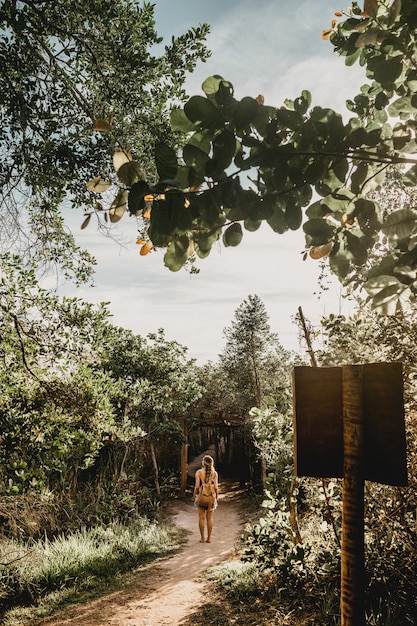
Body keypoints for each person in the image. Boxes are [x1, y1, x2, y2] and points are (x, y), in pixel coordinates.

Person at [193, 454, 219, 543]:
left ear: (203, 463)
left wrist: (194, 495)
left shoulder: (199, 472)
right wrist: (216, 497)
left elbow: (197, 487)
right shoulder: (215, 473)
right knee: (210, 518)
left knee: (201, 518)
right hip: (211, 497)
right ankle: (209, 538)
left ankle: (202, 538)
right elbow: (216, 487)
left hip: (201, 497)